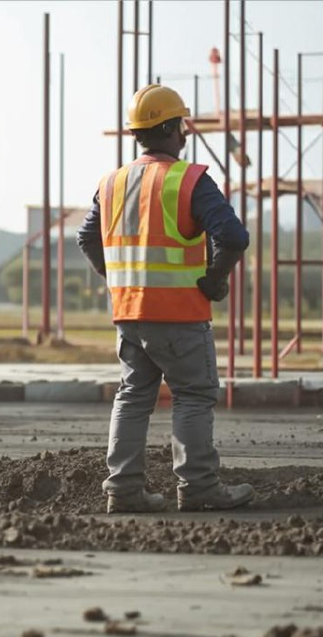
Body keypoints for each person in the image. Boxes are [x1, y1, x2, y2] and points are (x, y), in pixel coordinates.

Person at [77, 84, 254, 513]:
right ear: (176, 128)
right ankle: (198, 488)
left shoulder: (112, 182)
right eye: (183, 125)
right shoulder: (189, 179)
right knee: (193, 395)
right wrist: (214, 279)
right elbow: (232, 236)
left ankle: (123, 491)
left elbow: (87, 237)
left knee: (133, 395)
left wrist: (116, 279)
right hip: (178, 315)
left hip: (129, 315)